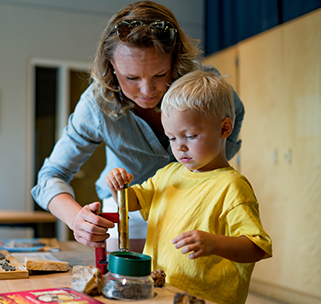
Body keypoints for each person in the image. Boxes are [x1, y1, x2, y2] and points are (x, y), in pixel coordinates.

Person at [31, 1, 245, 252]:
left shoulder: (207, 88)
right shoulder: (95, 105)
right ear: (111, 65)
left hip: (194, 203)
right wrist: (76, 219)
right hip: (127, 211)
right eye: (131, 77)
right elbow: (50, 176)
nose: (146, 91)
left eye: (159, 75)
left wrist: (201, 179)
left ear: (175, 61)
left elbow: (230, 128)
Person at [106, 70, 272, 304]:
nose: (179, 147)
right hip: (161, 292)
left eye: (190, 136)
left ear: (225, 129)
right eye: (172, 138)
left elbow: (257, 247)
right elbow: (131, 202)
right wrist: (119, 187)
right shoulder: (168, 174)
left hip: (206, 298)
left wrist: (214, 243)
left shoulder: (231, 186)